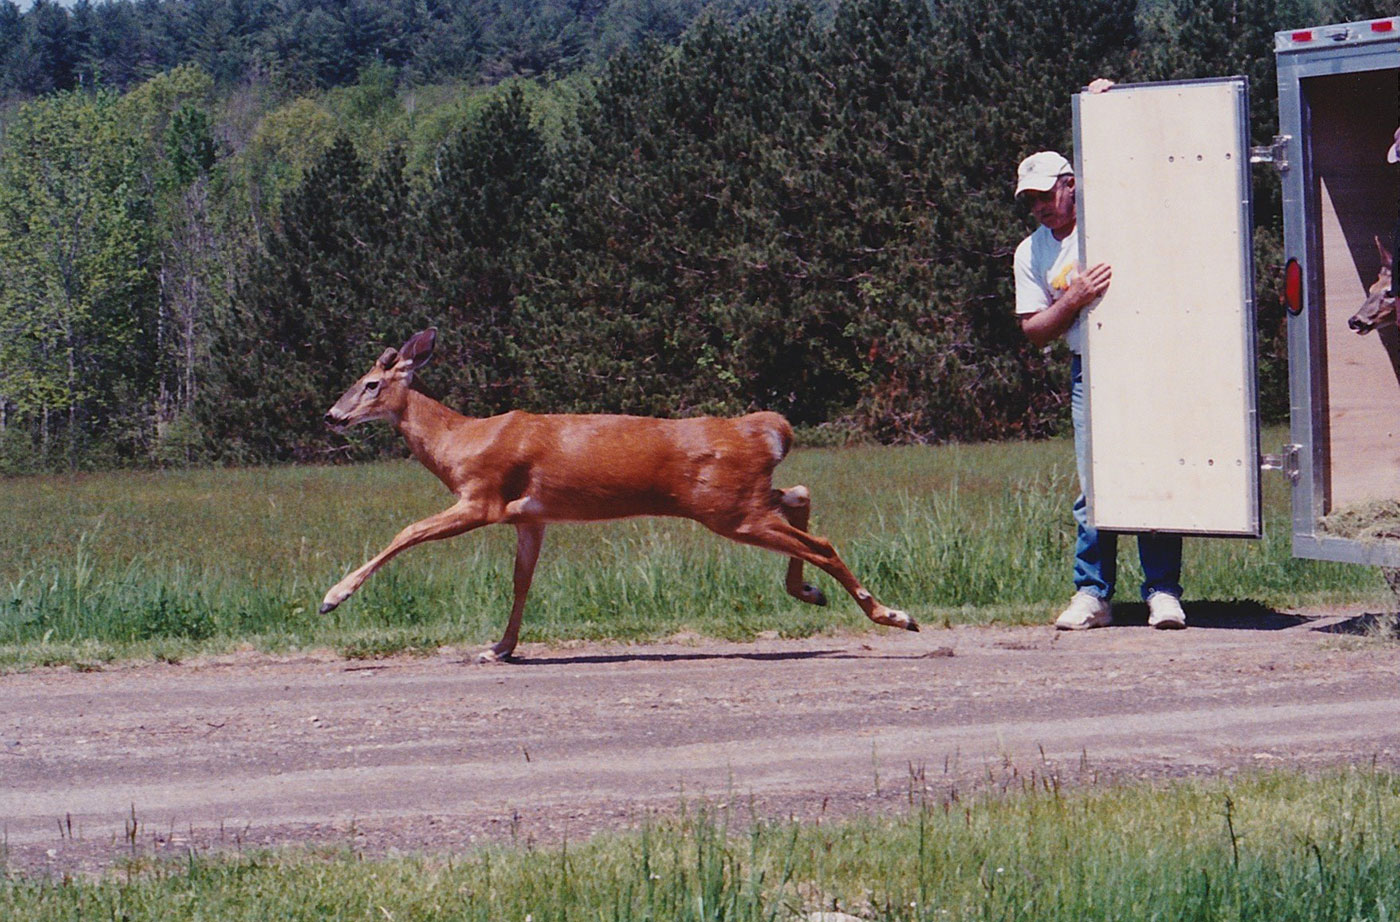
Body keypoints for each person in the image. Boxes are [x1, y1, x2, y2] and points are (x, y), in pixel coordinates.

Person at [1012, 148, 1187, 630]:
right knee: (1095, 487)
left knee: (1152, 473)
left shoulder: (1114, 218)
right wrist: (1075, 297)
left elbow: (1134, 163)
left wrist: (1107, 99)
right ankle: (1093, 595)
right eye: (1032, 201)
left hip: (1144, 364)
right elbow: (1035, 329)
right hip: (1089, 371)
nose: (1041, 207)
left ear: (1071, 184)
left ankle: (1163, 592)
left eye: (1047, 194)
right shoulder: (1032, 251)